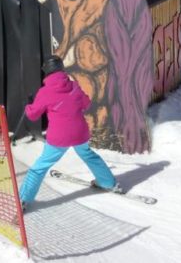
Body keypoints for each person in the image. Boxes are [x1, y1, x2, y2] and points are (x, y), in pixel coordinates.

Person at [18, 55, 119, 210]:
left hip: (59, 137)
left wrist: (29, 105)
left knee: (40, 166)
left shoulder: (45, 92)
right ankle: (107, 182)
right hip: (79, 133)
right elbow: (86, 103)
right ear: (61, 69)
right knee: (89, 155)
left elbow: (32, 115)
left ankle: (23, 200)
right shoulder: (74, 86)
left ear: (46, 72)